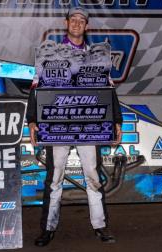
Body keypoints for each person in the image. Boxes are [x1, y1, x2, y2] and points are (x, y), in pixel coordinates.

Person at [26, 6, 123, 247]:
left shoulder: (97, 56)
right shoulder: (51, 54)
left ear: (86, 26)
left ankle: (100, 225)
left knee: (92, 176)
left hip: (88, 125)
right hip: (57, 126)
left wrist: (117, 121)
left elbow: (109, 90)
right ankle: (48, 228)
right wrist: (32, 120)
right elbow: (36, 87)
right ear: (66, 22)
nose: (77, 23)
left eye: (82, 20)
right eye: (74, 19)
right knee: (55, 177)